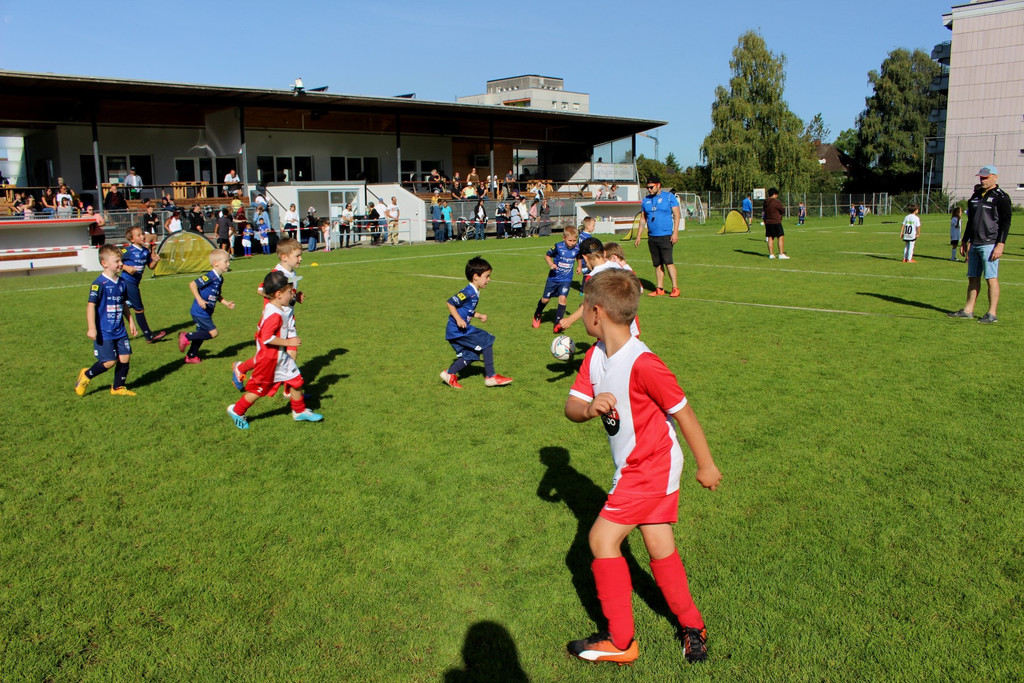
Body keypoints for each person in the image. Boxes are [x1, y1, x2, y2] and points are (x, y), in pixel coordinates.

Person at [563, 268, 721, 666]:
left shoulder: (643, 362)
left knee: (601, 540)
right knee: (658, 545)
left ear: (597, 313)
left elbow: (683, 413)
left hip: (651, 467)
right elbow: (571, 407)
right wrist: (588, 408)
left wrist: (707, 465)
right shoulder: (595, 357)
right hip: (634, 468)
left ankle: (621, 641)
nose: (581, 314)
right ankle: (692, 626)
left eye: (583, 307)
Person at [226, 271, 323, 429]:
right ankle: (237, 410)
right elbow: (266, 337)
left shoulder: (276, 308)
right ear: (278, 294)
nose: (292, 294)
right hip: (269, 360)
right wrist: (288, 341)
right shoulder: (275, 314)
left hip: (280, 357)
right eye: (289, 292)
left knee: (296, 382)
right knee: (258, 391)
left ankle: (299, 411)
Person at [232, 237, 307, 389]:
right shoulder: (277, 273)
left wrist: (294, 296)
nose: (301, 258)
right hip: (275, 319)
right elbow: (260, 289)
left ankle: (289, 388)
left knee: (292, 350)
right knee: (266, 358)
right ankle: (241, 368)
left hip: (288, 318)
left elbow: (287, 292)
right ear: (284, 257)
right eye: (297, 255)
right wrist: (277, 298)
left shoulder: (291, 272)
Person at [948, 165, 1012, 324]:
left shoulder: (1001, 197)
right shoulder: (975, 196)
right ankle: (968, 310)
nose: (982, 180)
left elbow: (1006, 222)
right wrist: (964, 240)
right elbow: (971, 221)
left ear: (995, 177)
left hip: (990, 244)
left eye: (986, 177)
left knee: (991, 278)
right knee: (973, 277)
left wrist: (1001, 244)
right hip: (974, 243)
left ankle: (992, 313)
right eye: (981, 177)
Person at [439, 256, 513, 389]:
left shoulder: (475, 292)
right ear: (476, 277)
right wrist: (459, 319)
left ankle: (449, 374)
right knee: (486, 339)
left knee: (471, 355)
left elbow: (466, 310)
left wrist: (478, 315)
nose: (489, 280)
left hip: (456, 330)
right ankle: (490, 376)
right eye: (487, 276)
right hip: (457, 330)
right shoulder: (468, 292)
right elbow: (450, 303)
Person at [74, 245, 138, 397]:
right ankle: (87, 375)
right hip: (104, 330)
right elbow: (91, 305)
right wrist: (91, 328)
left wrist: (131, 321)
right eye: (117, 261)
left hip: (120, 329)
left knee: (125, 357)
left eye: (121, 261)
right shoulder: (99, 284)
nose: (121, 264)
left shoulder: (122, 282)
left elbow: (123, 304)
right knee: (109, 362)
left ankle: (117, 387)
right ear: (104, 263)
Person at [556, 238, 640, 337]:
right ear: (604, 253)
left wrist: (569, 320)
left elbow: (589, 304)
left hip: (610, 331)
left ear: (585, 258)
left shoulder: (592, 278)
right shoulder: (618, 266)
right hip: (631, 326)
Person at [178, 249, 235, 364]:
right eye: (226, 261)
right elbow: (192, 284)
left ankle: (190, 356)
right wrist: (199, 299)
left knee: (200, 335)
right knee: (213, 333)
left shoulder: (220, 278)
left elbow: (216, 294)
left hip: (206, 312)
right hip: (200, 311)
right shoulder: (210, 276)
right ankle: (186, 336)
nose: (228, 264)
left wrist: (226, 303)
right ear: (216, 263)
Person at [634, 176, 681, 296]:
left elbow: (676, 215)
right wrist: (638, 235)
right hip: (652, 236)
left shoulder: (669, 197)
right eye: (648, 187)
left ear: (658, 185)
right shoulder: (645, 200)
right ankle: (659, 288)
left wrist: (675, 232)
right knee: (657, 263)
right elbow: (643, 219)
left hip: (665, 235)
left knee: (668, 262)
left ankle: (675, 288)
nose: (649, 189)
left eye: (651, 187)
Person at [119, 226, 167, 344]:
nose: (143, 236)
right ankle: (148, 335)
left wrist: (155, 260)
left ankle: (111, 332)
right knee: (139, 309)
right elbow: (115, 260)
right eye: (139, 235)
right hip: (127, 282)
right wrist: (126, 267)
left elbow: (150, 266)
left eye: (142, 234)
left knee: (122, 307)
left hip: (135, 283)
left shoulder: (145, 251)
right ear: (132, 239)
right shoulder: (127, 251)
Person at [532, 225, 580, 330]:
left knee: (562, 298)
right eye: (570, 240)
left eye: (574, 240)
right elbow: (547, 255)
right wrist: (551, 265)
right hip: (553, 278)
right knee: (545, 300)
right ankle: (538, 314)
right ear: (563, 238)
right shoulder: (558, 247)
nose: (572, 243)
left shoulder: (577, 248)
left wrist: (579, 266)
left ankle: (558, 323)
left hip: (566, 279)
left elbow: (579, 256)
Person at [762, 188, 788, 259]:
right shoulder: (776, 202)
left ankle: (771, 254)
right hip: (776, 221)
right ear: (774, 194)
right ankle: (781, 254)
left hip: (768, 222)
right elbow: (782, 210)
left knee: (770, 237)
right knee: (780, 237)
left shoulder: (765, 202)